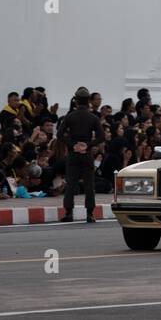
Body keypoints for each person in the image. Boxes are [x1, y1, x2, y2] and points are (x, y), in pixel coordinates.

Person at [57, 86, 105, 223]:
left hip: (73, 154)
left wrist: (72, 145)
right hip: (87, 154)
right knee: (89, 184)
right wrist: (88, 145)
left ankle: (68, 213)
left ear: (76, 101)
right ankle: (90, 214)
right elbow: (101, 137)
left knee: (71, 183)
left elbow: (60, 134)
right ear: (88, 101)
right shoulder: (93, 118)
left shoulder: (70, 117)